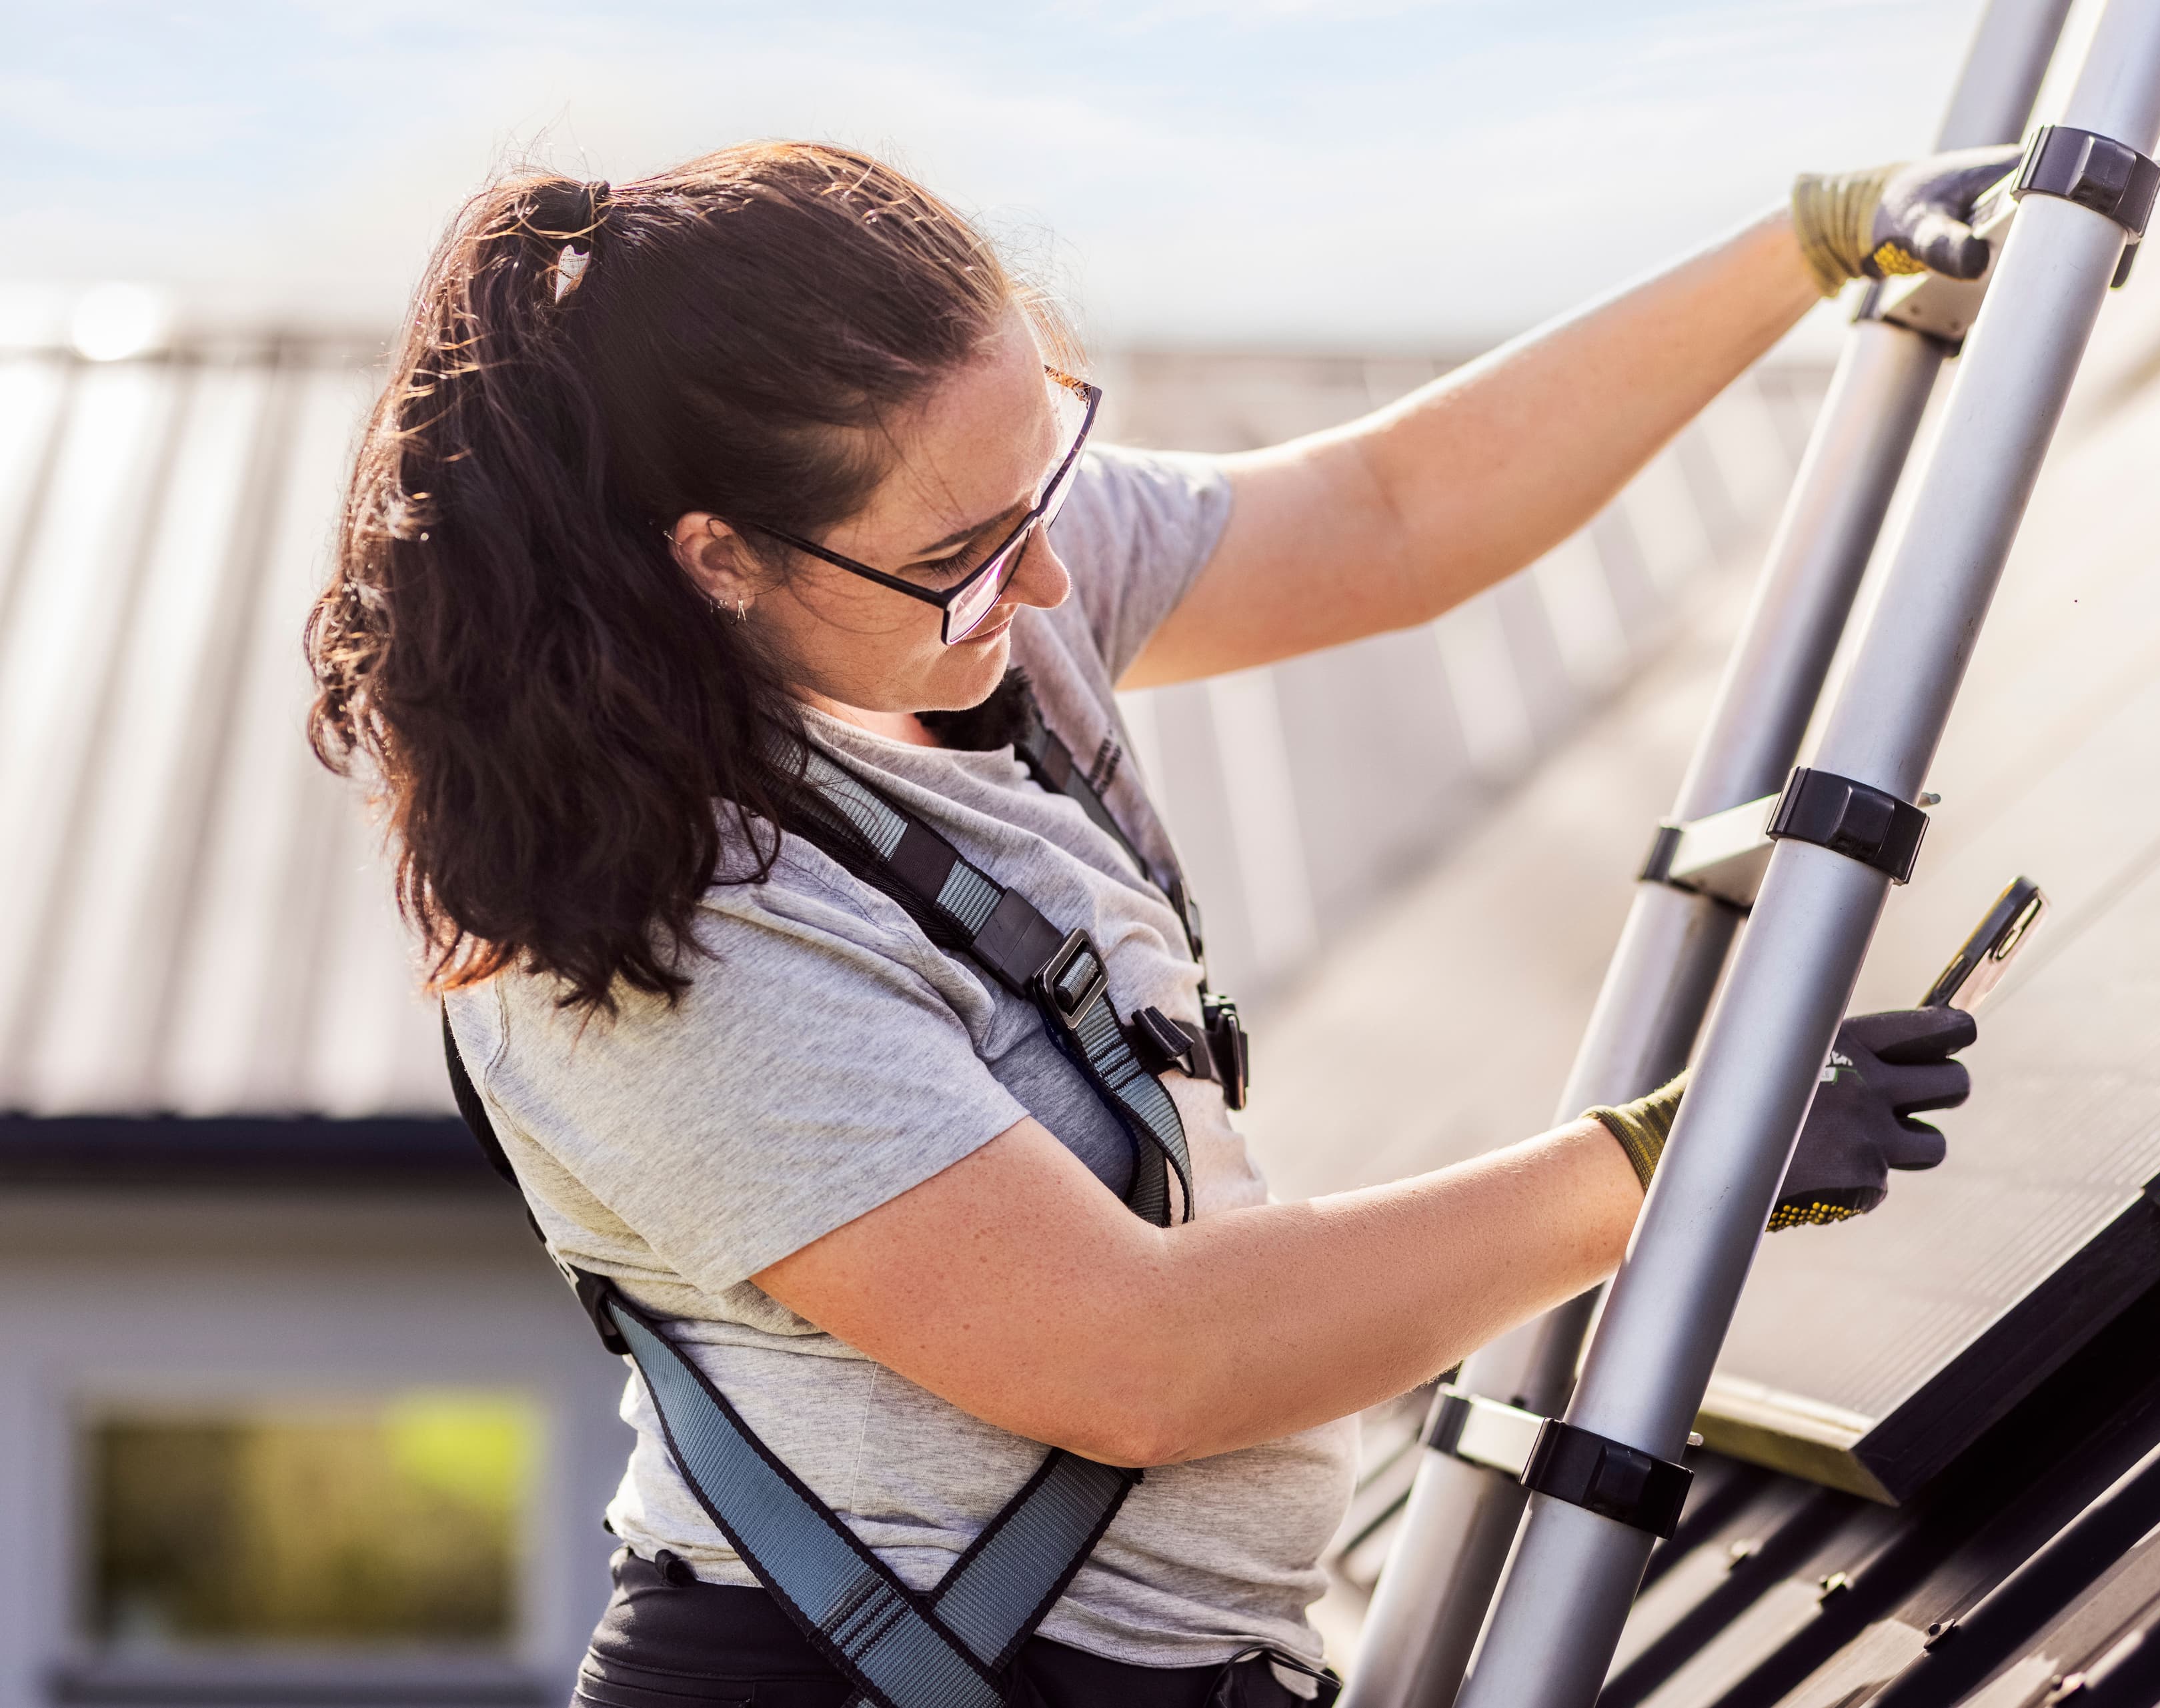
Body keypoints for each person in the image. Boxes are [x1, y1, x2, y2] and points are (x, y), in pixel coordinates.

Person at [309, 139, 2000, 1708]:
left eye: (1045, 484)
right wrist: (1664, 1165)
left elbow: (1389, 517)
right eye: (972, 550)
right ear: (716, 560)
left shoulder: (953, 594)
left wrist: (1802, 243)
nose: (1048, 585)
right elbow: (1143, 1355)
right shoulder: (653, 930)